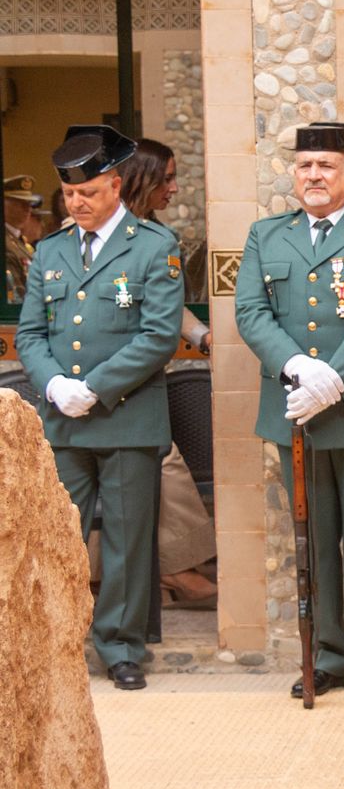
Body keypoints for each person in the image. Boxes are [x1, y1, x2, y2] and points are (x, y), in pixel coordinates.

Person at [234, 121, 344, 705]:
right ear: (295, 173)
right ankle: (329, 656)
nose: (315, 175)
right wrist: (297, 369)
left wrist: (333, 380)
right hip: (294, 408)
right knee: (314, 537)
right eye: (306, 166)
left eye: (327, 166)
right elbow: (250, 313)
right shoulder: (267, 235)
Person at [14, 125, 185, 690]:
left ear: (114, 185)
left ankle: (120, 646)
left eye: (86, 192)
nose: (77, 203)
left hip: (128, 417)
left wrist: (97, 386)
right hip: (63, 419)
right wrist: (55, 384)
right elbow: (31, 333)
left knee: (128, 539)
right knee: (57, 534)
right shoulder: (51, 251)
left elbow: (159, 335)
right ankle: (58, 641)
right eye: (68, 195)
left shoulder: (155, 247)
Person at [119, 138, 219, 607]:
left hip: (142, 379)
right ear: (142, 178)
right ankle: (179, 572)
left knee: (162, 467)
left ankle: (178, 569)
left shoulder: (153, 235)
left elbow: (169, 304)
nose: (175, 189)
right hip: (100, 381)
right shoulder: (92, 232)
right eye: (168, 178)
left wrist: (202, 338)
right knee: (163, 467)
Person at [5, 173, 42, 303]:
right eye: (20, 203)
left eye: (29, 203)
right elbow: (15, 293)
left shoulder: (18, 239)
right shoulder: (6, 243)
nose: (28, 209)